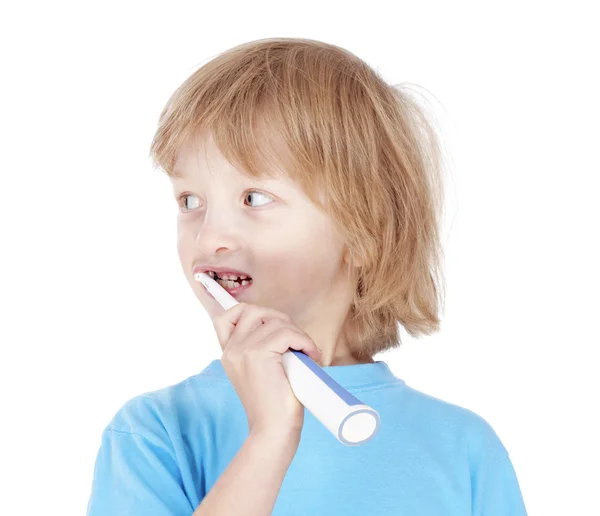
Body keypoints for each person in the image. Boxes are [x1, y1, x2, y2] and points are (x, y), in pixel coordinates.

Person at [86, 37, 528, 515]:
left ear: (366, 232)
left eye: (254, 198)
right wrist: (268, 439)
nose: (209, 236)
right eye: (190, 201)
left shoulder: (465, 450)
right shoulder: (156, 433)